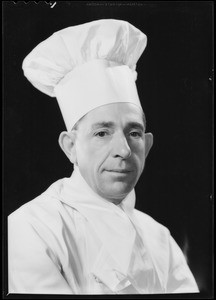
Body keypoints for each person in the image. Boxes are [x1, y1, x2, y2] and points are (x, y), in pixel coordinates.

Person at [8, 19, 199, 294]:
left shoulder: (159, 238)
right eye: (102, 133)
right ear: (70, 147)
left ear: (148, 144)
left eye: (134, 133)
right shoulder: (32, 228)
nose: (123, 150)